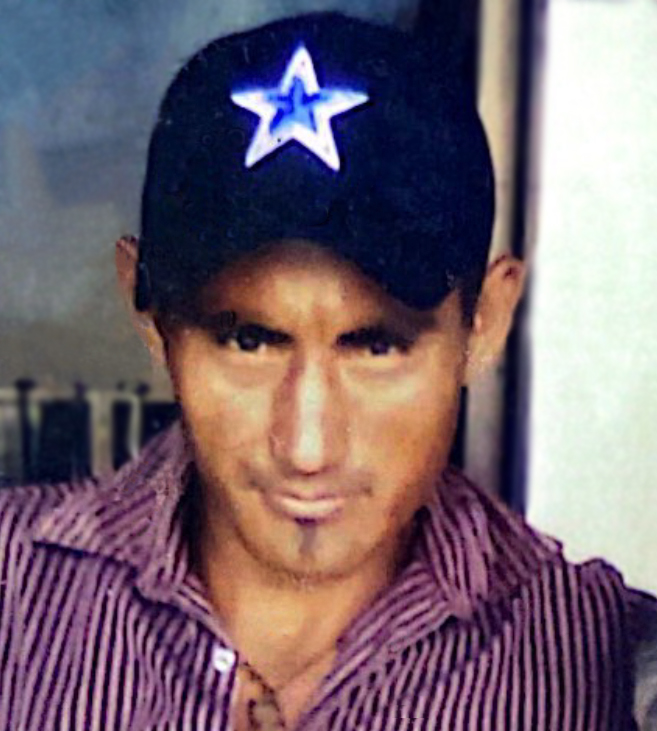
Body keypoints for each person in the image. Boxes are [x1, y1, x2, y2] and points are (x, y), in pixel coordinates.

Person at [0, 11, 639, 730]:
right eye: (248, 340)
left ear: (484, 322)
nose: (307, 447)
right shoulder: (12, 593)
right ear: (145, 309)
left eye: (377, 346)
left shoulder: (605, 665)